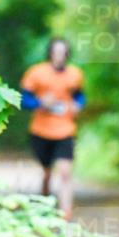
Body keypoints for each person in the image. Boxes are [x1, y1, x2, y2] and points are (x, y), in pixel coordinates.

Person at [20, 37, 85, 220]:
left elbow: (80, 96)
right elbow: (23, 100)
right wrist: (40, 103)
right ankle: (45, 203)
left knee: (65, 172)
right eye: (56, 52)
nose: (59, 56)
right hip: (41, 130)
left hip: (65, 129)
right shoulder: (36, 73)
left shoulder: (75, 74)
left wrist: (78, 105)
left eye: (63, 53)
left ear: (67, 54)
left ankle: (66, 214)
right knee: (47, 171)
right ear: (50, 53)